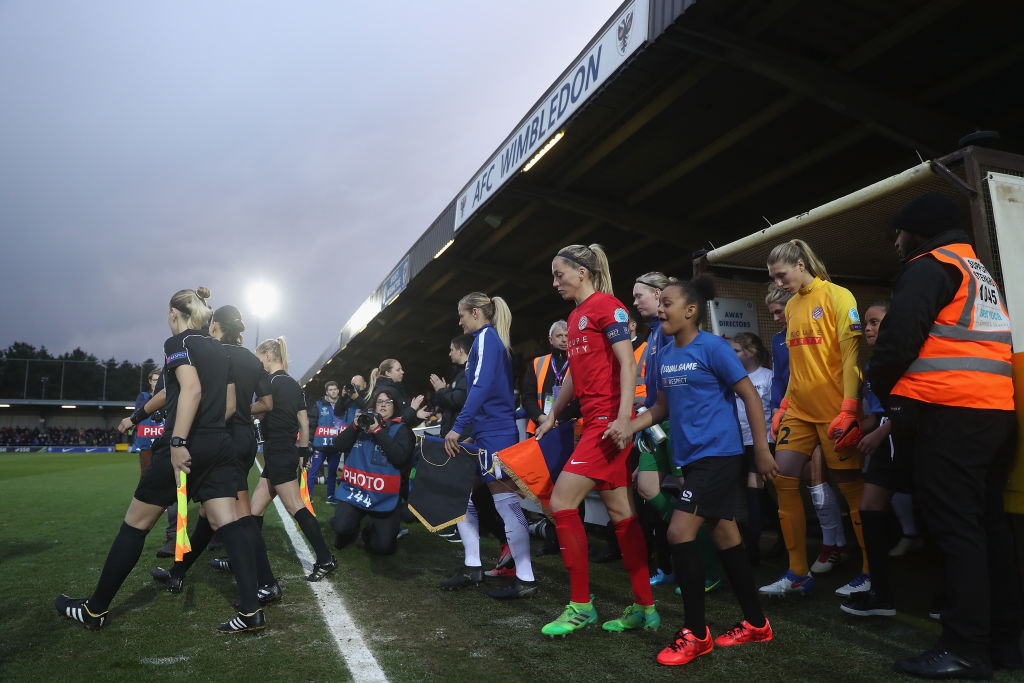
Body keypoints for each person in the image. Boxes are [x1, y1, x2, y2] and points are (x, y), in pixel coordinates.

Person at [869, 193, 1021, 678]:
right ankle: (1004, 644)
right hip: (995, 413)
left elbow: (896, 341)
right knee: (988, 529)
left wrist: (886, 394)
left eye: (899, 232)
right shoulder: (978, 272)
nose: (897, 242)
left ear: (918, 231)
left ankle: (964, 648)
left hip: (947, 414)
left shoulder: (929, 266)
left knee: (957, 533)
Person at [56, 287, 266, 633]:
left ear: (174, 313)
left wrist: (180, 441)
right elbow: (226, 404)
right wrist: (146, 418)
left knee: (135, 524)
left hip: (184, 445)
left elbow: (191, 389)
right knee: (229, 523)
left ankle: (94, 610)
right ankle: (251, 611)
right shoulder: (219, 349)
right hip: (219, 443)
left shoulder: (178, 343)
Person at [628, 276, 778, 665]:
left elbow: (749, 396)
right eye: (659, 303)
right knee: (725, 534)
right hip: (692, 459)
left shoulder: (713, 347)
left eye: (667, 303)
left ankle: (696, 634)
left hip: (720, 455)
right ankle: (757, 624)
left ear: (691, 310)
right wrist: (628, 427)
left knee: (679, 532)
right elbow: (661, 407)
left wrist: (762, 450)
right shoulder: (664, 355)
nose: (660, 310)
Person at [533, 243, 657, 636]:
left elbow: (627, 363)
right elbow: (574, 374)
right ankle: (645, 608)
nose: (556, 282)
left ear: (582, 272)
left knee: (561, 502)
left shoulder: (608, 307)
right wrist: (554, 414)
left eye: (560, 274)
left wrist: (623, 418)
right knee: (622, 514)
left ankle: (581, 606)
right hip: (595, 423)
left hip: (607, 425)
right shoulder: (574, 317)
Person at [759, 239, 869, 598]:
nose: (779, 283)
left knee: (852, 489)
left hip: (836, 411)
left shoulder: (838, 296)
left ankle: (871, 572)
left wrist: (850, 408)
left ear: (801, 265)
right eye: (774, 278)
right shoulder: (791, 305)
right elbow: (798, 365)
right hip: (799, 410)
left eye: (781, 275)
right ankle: (797, 573)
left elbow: (851, 357)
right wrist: (783, 405)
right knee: (783, 477)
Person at [151, 305, 279, 605]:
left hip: (223, 439)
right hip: (244, 439)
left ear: (214, 326)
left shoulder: (210, 353)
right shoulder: (251, 359)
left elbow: (200, 397)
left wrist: (205, 426)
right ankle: (178, 571)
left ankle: (267, 583)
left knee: (240, 515)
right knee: (210, 514)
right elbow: (267, 403)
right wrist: (243, 412)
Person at [440, 292, 536, 600]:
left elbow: (480, 388)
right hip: (488, 433)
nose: (460, 321)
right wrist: (474, 433)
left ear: (476, 313)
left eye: (461, 315)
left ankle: (525, 578)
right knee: (463, 495)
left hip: (496, 436)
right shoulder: (489, 340)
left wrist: (458, 428)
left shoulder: (485, 339)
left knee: (506, 503)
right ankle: (473, 567)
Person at [766, 283, 850, 574]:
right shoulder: (778, 339)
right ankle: (835, 544)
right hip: (791, 413)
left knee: (819, 480)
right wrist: (777, 408)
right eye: (772, 313)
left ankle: (833, 546)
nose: (776, 317)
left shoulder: (817, 329)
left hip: (823, 411)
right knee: (794, 478)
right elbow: (779, 378)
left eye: (779, 311)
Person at [249, 337, 337, 582]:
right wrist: (303, 451)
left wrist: (235, 410)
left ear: (268, 355)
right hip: (285, 451)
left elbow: (261, 411)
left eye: (258, 357)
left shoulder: (269, 382)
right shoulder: (294, 384)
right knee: (254, 510)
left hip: (278, 452)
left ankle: (325, 558)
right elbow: (304, 422)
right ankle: (245, 557)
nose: (258, 363)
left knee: (295, 506)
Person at [330, 384, 415, 554]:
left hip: (383, 496)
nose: (383, 405)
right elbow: (339, 445)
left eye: (388, 402)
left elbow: (400, 459)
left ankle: (369, 529)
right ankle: (349, 529)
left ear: (395, 406)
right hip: (356, 491)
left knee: (382, 548)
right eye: (379, 402)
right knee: (341, 527)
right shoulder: (362, 425)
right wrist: (354, 427)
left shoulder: (402, 430)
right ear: (374, 405)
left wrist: (377, 431)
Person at [729, 332, 773, 564]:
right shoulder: (733, 378)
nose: (732, 355)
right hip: (737, 443)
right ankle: (749, 541)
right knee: (745, 494)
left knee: (755, 490)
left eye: (736, 351)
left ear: (752, 352)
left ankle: (753, 547)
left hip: (761, 442)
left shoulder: (767, 376)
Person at [521, 320, 578, 436]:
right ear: (550, 339)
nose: (564, 340)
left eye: (567, 336)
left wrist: (557, 420)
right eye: (559, 336)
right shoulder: (537, 363)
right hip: (539, 427)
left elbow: (582, 398)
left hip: (570, 427)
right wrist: (541, 417)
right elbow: (527, 397)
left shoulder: (579, 363)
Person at [308, 381, 343, 504]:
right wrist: (309, 440)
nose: (333, 391)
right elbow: (312, 423)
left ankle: (330, 497)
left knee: (332, 472)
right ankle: (308, 495)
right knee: (313, 471)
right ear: (327, 392)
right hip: (320, 445)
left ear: (338, 390)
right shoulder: (319, 405)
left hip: (335, 446)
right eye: (330, 390)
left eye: (335, 389)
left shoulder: (343, 405)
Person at [431, 334, 471, 435]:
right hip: (454, 433)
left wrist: (441, 390)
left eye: (452, 350)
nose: (449, 354)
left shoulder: (468, 372)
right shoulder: (459, 372)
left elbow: (458, 401)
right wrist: (445, 391)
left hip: (461, 434)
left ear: (460, 351)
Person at [132, 370, 163, 474]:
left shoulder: (167, 396)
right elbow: (139, 410)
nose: (157, 383)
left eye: (159, 380)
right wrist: (154, 396)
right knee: (146, 473)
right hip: (146, 440)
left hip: (163, 439)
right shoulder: (143, 396)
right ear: (150, 381)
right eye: (155, 380)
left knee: (163, 473)